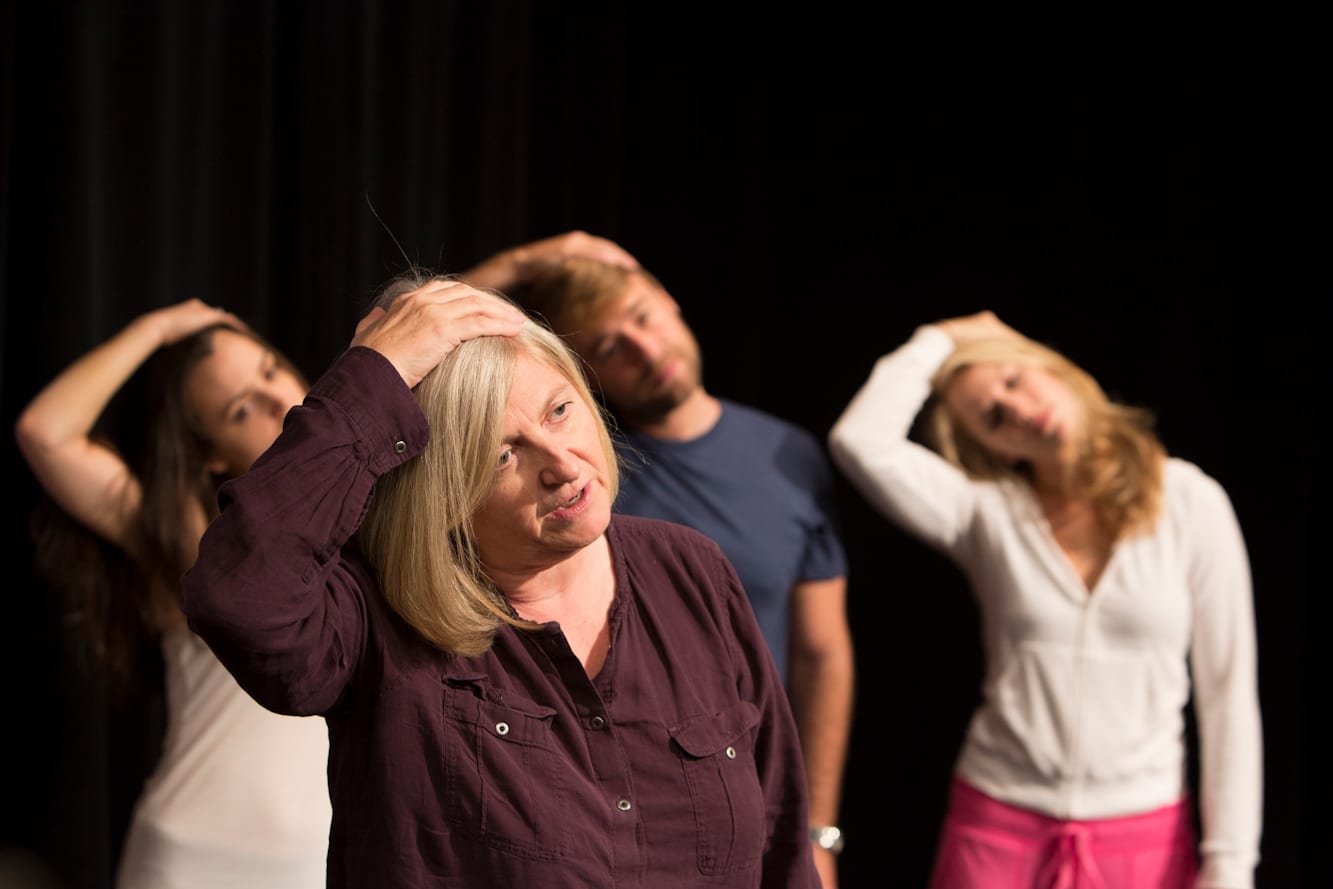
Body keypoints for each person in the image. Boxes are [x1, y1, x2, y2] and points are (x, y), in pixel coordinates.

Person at [178, 275, 820, 889]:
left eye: (560, 410)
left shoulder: (691, 569)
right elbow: (240, 600)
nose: (564, 465)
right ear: (441, 496)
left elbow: (781, 843)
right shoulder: (378, 618)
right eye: (503, 455)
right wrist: (371, 383)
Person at [462, 232, 855, 888]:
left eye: (642, 317)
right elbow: (422, 364)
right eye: (612, 347)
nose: (645, 350)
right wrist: (519, 266)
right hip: (608, 806)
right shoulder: (582, 483)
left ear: (670, 301)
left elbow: (822, 654)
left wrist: (816, 831)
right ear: (583, 373)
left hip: (751, 792)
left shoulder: (790, 455)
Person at [827, 310, 1263, 888]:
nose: (1018, 409)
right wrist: (937, 341)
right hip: (997, 827)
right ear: (990, 446)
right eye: (992, 417)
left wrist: (1230, 868)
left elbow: (1228, 695)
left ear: (1052, 369)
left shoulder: (1190, 501)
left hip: (1144, 839)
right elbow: (859, 442)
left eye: (1013, 380)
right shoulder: (985, 514)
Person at [14, 299, 332, 888]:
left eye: (270, 370)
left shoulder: (379, 510)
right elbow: (45, 432)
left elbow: (416, 361)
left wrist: (518, 267)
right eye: (241, 410)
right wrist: (156, 329)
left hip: (317, 861)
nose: (277, 401)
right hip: (189, 857)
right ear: (211, 455)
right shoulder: (197, 543)